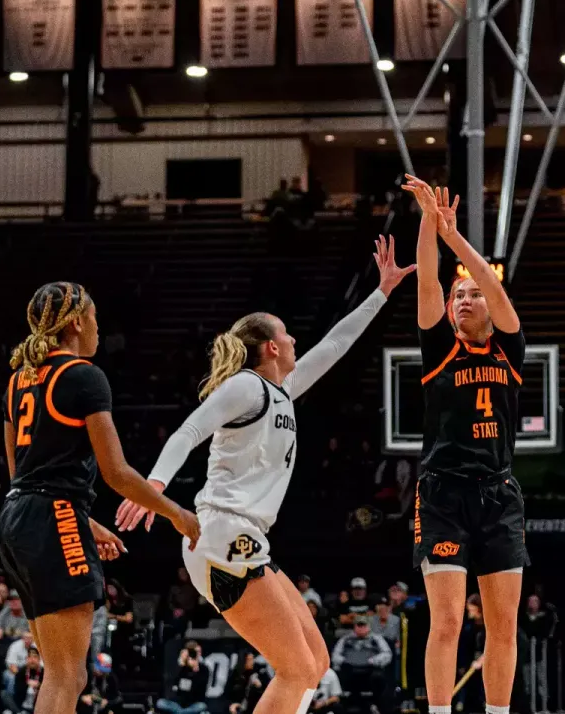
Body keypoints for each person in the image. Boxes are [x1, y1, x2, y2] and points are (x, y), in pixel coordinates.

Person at [116, 238, 414, 714]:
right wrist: (155, 485)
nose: (297, 341)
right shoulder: (245, 386)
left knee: (315, 664)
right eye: (289, 336)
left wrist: (381, 292)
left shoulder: (282, 389)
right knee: (296, 668)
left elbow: (335, 344)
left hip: (246, 536)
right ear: (272, 346)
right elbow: (189, 430)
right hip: (219, 533)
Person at [0, 282, 200, 714]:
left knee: (60, 671)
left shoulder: (19, 381)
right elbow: (118, 473)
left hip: (17, 518)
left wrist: (83, 520)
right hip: (52, 516)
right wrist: (179, 514)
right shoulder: (84, 376)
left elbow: (23, 476)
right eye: (94, 318)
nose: (96, 328)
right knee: (69, 674)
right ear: (76, 321)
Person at [400, 176, 528, 714]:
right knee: (448, 620)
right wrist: (430, 224)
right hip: (444, 496)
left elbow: (494, 289)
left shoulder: (509, 349)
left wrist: (457, 240)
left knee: (503, 626)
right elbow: (427, 278)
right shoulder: (439, 351)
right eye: (460, 296)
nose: (465, 300)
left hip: (498, 496)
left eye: (473, 294)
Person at [157, 643, 209, 714]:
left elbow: (200, 689)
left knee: (202, 706)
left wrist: (195, 670)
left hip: (193, 703)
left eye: (198, 652)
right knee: (160, 703)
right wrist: (182, 666)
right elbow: (173, 687)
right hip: (176, 703)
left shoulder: (204, 669)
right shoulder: (181, 668)